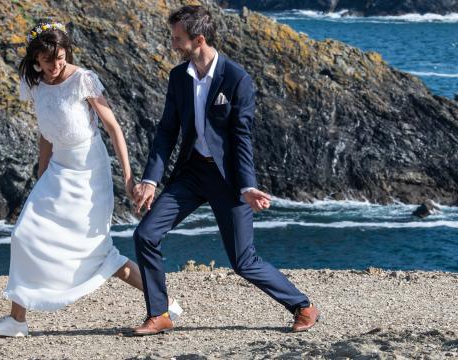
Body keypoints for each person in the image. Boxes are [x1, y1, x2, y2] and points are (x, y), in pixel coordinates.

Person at [0, 20, 182, 337]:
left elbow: (114, 128)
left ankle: (162, 300)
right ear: (36, 60)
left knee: (99, 253)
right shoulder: (33, 84)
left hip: (90, 174)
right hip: (57, 169)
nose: (57, 65)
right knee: (23, 235)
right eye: (49, 60)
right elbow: (46, 135)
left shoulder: (83, 80)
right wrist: (41, 177)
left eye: (61, 57)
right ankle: (16, 320)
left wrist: (129, 178)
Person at [131, 6, 319, 336]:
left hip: (227, 180)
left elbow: (241, 137)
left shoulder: (236, 79)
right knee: (145, 234)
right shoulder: (178, 77)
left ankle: (302, 306)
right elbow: (166, 132)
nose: (173, 44)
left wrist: (247, 186)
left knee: (243, 261)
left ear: (198, 40)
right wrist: (150, 179)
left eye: (178, 39)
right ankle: (158, 314)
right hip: (190, 175)